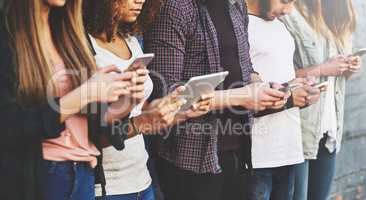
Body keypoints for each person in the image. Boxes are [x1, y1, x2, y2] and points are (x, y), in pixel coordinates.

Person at [0, 0, 146, 200]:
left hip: (84, 172)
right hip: (42, 175)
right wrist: (86, 93)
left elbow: (87, 123)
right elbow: (9, 125)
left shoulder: (68, 31)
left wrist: (125, 101)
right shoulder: (8, 34)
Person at [144, 0, 289, 199]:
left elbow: (245, 67)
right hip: (190, 158)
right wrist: (244, 96)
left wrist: (264, 87)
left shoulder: (237, 6)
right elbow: (167, 96)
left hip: (239, 150)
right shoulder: (175, 7)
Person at [83, 0, 213, 199]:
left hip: (142, 178)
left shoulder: (131, 40)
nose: (140, 0)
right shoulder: (83, 46)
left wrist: (176, 110)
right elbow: (88, 132)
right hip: (106, 187)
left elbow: (140, 110)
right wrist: (143, 122)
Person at [281, 0, 362, 199]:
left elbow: (334, 79)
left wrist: (347, 69)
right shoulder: (291, 15)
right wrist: (324, 69)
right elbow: (278, 77)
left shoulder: (334, 23)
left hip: (330, 131)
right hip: (302, 129)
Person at [245, 0, 322, 199]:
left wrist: (299, 86)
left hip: (289, 149)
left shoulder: (281, 26)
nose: (289, 10)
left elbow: (279, 80)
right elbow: (240, 95)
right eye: (285, 1)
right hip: (257, 157)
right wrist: (289, 99)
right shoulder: (240, 25)